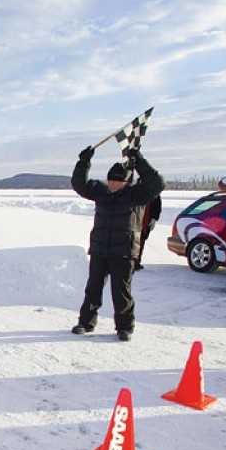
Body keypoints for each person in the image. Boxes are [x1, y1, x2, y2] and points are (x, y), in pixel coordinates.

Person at [70, 145, 165, 341]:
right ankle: (85, 323)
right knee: (93, 288)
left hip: (124, 251)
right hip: (99, 249)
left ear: (126, 182)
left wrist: (138, 159)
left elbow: (157, 183)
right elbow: (79, 184)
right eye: (110, 179)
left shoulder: (136, 194)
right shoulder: (100, 191)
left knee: (121, 292)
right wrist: (83, 162)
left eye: (117, 181)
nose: (113, 184)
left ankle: (125, 327)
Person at [134, 194, 162, 271]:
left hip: (145, 222)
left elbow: (157, 207)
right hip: (134, 220)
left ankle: (136, 262)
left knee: (141, 241)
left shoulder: (154, 193)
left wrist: (154, 218)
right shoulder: (135, 189)